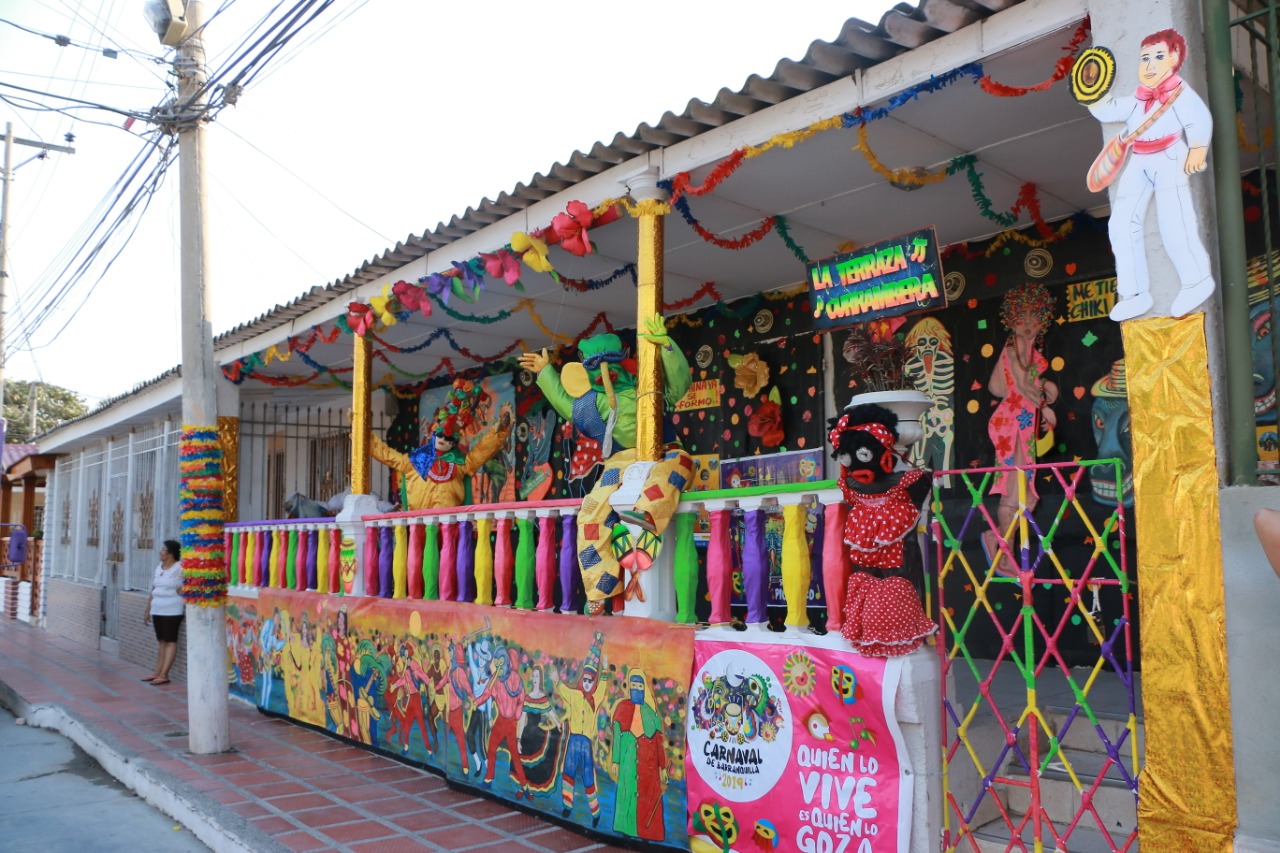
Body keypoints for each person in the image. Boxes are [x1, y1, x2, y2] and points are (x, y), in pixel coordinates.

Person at [518, 317, 693, 614]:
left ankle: (645, 519)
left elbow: (680, 383)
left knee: (670, 475)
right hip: (619, 461)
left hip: (666, 453)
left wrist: (666, 345)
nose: (605, 373)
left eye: (609, 364)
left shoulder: (649, 385)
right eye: (596, 366)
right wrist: (546, 372)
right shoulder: (591, 403)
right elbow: (564, 403)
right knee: (590, 514)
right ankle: (601, 584)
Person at [1080, 28, 1215, 321]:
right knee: (1120, 224)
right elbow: (1111, 110)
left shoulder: (1179, 92)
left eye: (1157, 56)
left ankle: (1196, 280)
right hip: (1139, 159)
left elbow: (1198, 118)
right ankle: (1134, 293)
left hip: (1169, 157)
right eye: (1144, 58)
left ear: (1174, 57)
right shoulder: (1139, 98)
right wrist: (1091, 92)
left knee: (1174, 220)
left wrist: (1198, 147)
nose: (1150, 65)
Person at [985, 283, 1058, 569]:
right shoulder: (1015, 347)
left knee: (1026, 495)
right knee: (1015, 491)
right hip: (1012, 425)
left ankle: (998, 540)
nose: (1028, 322)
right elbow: (1022, 387)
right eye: (1021, 315)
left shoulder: (1028, 351)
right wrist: (1044, 395)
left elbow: (1001, 386)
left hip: (1021, 424)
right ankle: (1004, 554)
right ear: (1011, 318)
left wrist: (1042, 403)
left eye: (1034, 315)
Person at [370, 378, 513, 510]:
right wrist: (364, 435)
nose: (444, 440)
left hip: (451, 527)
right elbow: (387, 455)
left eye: (449, 440)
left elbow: (482, 451)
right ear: (434, 433)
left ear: (454, 442)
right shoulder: (414, 459)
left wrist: (498, 432)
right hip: (420, 526)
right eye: (441, 436)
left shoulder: (460, 463)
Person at [610, 667, 668, 841]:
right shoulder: (622, 708)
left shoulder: (651, 714)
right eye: (633, 685)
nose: (637, 689)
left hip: (647, 765)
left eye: (640, 686)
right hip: (628, 761)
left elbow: (658, 743)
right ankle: (626, 829)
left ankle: (647, 833)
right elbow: (617, 737)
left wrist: (662, 767)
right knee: (627, 794)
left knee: (648, 798)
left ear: (644, 688)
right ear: (629, 687)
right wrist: (616, 761)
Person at [141, 540, 184, 686]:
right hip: (157, 608)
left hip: (172, 609)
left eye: (163, 550)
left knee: (170, 641)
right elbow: (153, 589)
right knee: (161, 641)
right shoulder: (159, 568)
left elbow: (192, 582)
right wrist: (148, 609)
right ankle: (157, 672)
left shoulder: (180, 568)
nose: (161, 552)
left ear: (171, 553)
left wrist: (183, 591)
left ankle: (164, 674)